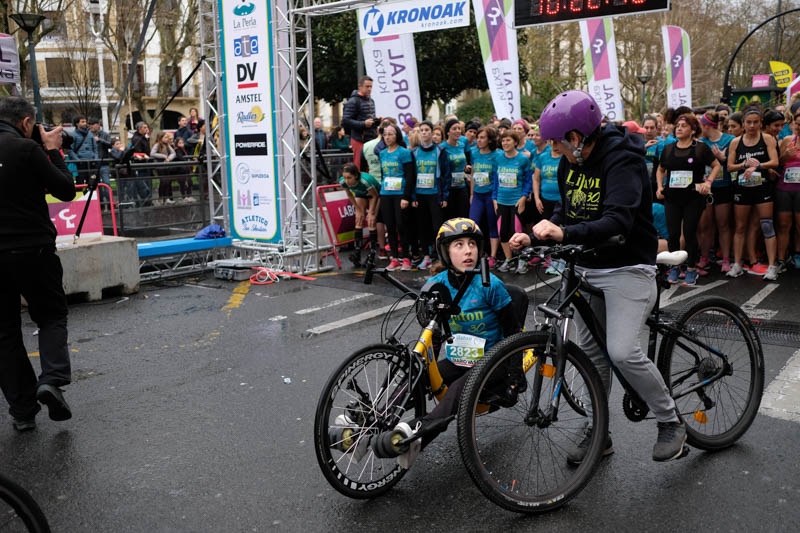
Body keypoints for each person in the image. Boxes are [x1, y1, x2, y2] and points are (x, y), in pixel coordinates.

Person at [510, 90, 688, 463]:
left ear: (576, 138)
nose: (553, 150)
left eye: (557, 143)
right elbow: (566, 212)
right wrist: (537, 234)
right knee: (592, 352)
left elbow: (618, 220)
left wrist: (565, 233)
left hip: (628, 267)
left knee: (622, 350)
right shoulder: (569, 163)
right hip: (587, 267)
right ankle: (598, 430)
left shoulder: (623, 161)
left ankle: (670, 420)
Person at [336, 218, 522, 469]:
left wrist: (514, 376)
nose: (468, 251)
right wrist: (424, 369)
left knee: (457, 390)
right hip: (459, 359)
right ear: (445, 252)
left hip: (493, 361)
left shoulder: (491, 284)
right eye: (459, 245)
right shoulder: (437, 284)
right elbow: (433, 334)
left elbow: (513, 332)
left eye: (472, 244)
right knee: (415, 381)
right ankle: (370, 427)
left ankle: (415, 434)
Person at [0, 96, 76, 431]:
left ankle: (22, 411)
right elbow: (65, 190)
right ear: (26, 123)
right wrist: (53, 150)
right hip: (34, 249)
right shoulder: (26, 149)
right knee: (51, 315)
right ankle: (52, 380)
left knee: (4, 333)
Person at [656, 113, 721, 286]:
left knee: (690, 232)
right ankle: (674, 267)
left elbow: (716, 165)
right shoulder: (668, 148)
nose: (679, 128)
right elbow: (661, 169)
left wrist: (708, 182)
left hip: (693, 197)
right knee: (673, 234)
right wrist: (659, 186)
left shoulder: (700, 148)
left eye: (683, 126)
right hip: (672, 197)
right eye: (677, 126)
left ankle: (691, 268)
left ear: (693, 130)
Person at [726, 105, 780, 280]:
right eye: (748, 122)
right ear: (743, 124)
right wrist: (744, 165)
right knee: (740, 226)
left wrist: (758, 165)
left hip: (762, 187)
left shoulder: (767, 139)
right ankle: (737, 264)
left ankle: (772, 266)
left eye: (756, 122)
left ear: (761, 123)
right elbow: (729, 166)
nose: (752, 126)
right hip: (742, 188)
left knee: (767, 225)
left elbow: (775, 161)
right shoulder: (736, 142)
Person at [697, 111, 736, 273]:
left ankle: (726, 259)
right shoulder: (700, 142)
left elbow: (735, 164)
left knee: (723, 225)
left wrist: (723, 158)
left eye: (701, 125)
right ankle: (704, 257)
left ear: (707, 126)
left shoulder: (730, 140)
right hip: (706, 188)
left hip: (723, 187)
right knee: (706, 225)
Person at [378, 123, 416, 271]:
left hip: (400, 194)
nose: (387, 137)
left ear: (397, 135)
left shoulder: (404, 152)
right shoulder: (382, 153)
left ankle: (406, 257)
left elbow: (410, 175)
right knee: (390, 226)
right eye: (385, 134)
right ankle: (394, 258)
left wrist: (406, 197)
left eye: (390, 134)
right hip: (386, 194)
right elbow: (383, 174)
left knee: (402, 225)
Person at [412, 121, 450, 269]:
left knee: (437, 227)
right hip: (420, 194)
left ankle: (441, 256)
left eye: (427, 130)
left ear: (432, 132)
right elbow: (411, 176)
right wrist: (413, 197)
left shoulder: (440, 151)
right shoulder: (414, 152)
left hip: (435, 194)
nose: (424, 132)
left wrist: (444, 196)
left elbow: (446, 174)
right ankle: (426, 257)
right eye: (422, 130)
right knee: (422, 226)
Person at [495, 130, 532, 274]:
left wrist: (523, 197)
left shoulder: (523, 159)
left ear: (515, 142)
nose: (505, 143)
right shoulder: (499, 158)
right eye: (503, 140)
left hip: (516, 201)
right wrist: (494, 199)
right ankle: (509, 259)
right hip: (501, 201)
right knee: (502, 232)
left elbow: (528, 181)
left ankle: (523, 260)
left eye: (508, 140)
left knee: (517, 232)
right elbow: (495, 181)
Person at [468, 127, 500, 268]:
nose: (479, 140)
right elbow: (473, 174)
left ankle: (493, 256)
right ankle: (478, 253)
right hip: (477, 195)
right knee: (473, 224)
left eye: (482, 137)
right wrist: (472, 194)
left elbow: (498, 177)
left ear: (490, 140)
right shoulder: (474, 153)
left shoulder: (497, 155)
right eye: (478, 137)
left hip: (491, 195)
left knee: (492, 225)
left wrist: (496, 197)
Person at [338, 163, 381, 267]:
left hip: (375, 194)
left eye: (349, 178)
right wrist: (358, 209)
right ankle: (357, 253)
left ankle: (372, 254)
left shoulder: (365, 180)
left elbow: (375, 196)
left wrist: (371, 212)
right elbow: (349, 194)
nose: (347, 181)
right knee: (358, 219)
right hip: (361, 194)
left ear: (356, 176)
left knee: (371, 221)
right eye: (345, 178)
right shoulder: (343, 181)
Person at [776, 110, 800, 270]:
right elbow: (777, 163)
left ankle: (797, 253)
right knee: (784, 224)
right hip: (784, 188)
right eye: (797, 124)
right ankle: (781, 258)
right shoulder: (787, 140)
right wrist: (785, 155)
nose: (798, 127)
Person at [342, 76, 378, 170]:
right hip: (359, 139)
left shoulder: (371, 101)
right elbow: (345, 121)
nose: (369, 89)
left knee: (370, 167)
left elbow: (368, 119)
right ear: (360, 86)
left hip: (370, 138)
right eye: (367, 86)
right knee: (359, 167)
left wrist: (376, 121)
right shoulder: (353, 101)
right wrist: (363, 124)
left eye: (371, 86)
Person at [441, 118, 471, 219]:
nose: (458, 131)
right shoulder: (442, 147)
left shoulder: (462, 145)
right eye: (454, 129)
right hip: (448, 189)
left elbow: (464, 163)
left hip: (462, 186)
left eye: (459, 128)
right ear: (448, 132)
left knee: (463, 217)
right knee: (450, 219)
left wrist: (466, 168)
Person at [88, 118, 113, 210]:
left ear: (98, 125)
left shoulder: (105, 134)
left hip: (104, 163)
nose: (91, 126)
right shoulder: (88, 135)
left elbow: (111, 144)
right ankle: (100, 204)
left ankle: (110, 203)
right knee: (96, 184)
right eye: (90, 124)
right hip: (93, 164)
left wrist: (100, 140)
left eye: (93, 124)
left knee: (107, 183)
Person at [70, 115, 99, 185]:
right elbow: (70, 150)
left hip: (91, 163)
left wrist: (95, 158)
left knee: (92, 183)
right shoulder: (73, 135)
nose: (85, 123)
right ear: (77, 124)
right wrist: (78, 161)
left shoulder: (90, 134)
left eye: (85, 121)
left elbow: (95, 148)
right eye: (82, 122)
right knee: (80, 183)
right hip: (80, 164)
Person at [151, 131, 177, 204]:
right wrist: (164, 156)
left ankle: (167, 198)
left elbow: (173, 153)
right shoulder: (157, 145)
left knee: (167, 182)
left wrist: (169, 158)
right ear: (160, 138)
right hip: (160, 167)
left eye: (167, 137)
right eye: (165, 137)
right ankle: (161, 198)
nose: (167, 139)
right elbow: (152, 153)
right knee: (163, 182)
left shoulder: (167, 145)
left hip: (166, 166)